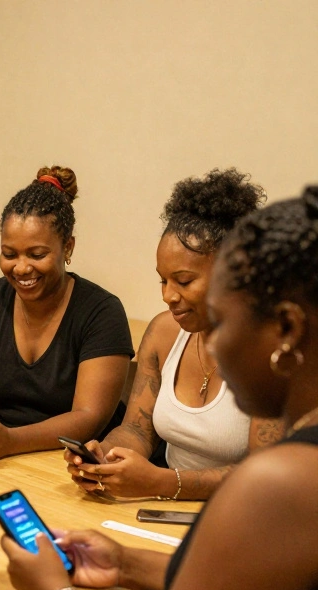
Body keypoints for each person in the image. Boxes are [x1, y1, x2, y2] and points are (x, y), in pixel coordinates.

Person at [4, 186, 318, 590]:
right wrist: (124, 562)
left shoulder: (281, 481)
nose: (212, 346)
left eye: (226, 319)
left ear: (286, 329)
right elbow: (251, 584)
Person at [67, 169, 283, 499]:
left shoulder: (272, 351)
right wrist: (105, 457)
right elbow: (137, 429)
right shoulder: (164, 332)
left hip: (242, 516)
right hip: (163, 508)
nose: (168, 295)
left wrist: (163, 482)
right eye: (162, 280)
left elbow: (263, 472)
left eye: (183, 281)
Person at [0, 166, 134, 462]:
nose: (21, 268)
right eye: (9, 253)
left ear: (68, 247)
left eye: (37, 254)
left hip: (73, 462)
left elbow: (88, 417)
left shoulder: (101, 312)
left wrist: (10, 441)